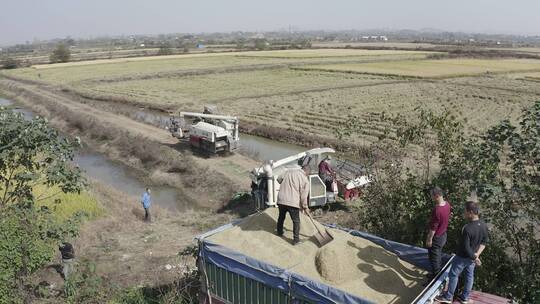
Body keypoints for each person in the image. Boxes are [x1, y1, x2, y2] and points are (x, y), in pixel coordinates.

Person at [435, 201, 489, 304]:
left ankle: (448, 297)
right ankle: (465, 298)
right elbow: (484, 242)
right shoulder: (483, 225)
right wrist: (477, 255)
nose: (464, 213)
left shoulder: (467, 228)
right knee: (469, 276)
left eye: (465, 211)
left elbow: (466, 247)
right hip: (472, 257)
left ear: (471, 212)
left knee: (453, 275)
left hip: (462, 257)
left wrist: (475, 257)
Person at [276, 165, 310, 245]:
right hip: (292, 202)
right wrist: (305, 206)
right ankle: (296, 240)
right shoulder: (305, 179)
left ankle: (279, 232)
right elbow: (304, 195)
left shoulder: (288, 171)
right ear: (307, 172)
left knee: (281, 216)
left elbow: (278, 179)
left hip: (281, 199)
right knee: (296, 221)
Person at [426, 187, 451, 279]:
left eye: (432, 196)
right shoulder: (447, 204)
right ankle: (434, 274)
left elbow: (433, 228)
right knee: (438, 256)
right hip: (443, 234)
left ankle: (435, 278)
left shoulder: (437, 210)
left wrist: (429, 239)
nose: (431, 198)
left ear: (437, 196)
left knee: (434, 260)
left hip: (436, 237)